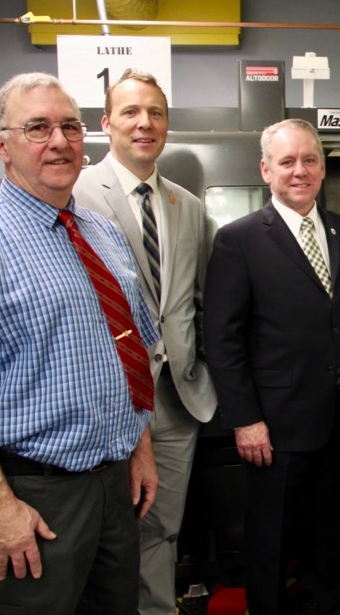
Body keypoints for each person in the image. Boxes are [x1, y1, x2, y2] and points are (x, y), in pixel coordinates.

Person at [0, 72, 159, 615]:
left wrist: (140, 447)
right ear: (2, 145)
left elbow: (131, 350)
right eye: (37, 127)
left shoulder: (102, 234)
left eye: (69, 126)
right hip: (34, 494)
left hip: (113, 488)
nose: (59, 141)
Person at [203, 118, 340, 615]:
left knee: (339, 538)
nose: (299, 171)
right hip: (274, 426)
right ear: (266, 170)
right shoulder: (238, 240)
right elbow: (223, 337)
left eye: (309, 160)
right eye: (287, 162)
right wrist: (244, 418)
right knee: (271, 541)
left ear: (323, 168)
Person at [73, 68, 217, 615]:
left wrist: (201, 367)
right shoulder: (76, 194)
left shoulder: (187, 206)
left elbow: (201, 301)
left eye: (155, 113)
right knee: (105, 536)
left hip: (177, 402)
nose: (144, 123)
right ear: (106, 123)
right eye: (131, 112)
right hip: (108, 400)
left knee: (163, 530)